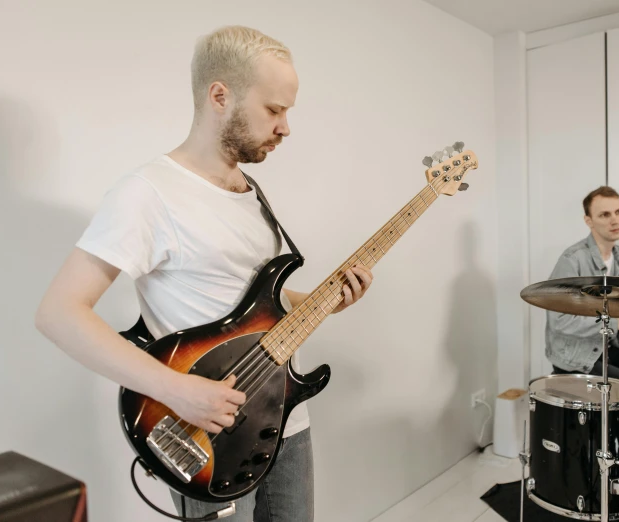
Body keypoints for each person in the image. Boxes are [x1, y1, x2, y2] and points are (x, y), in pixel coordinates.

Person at [34, 26, 373, 522]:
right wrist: (176, 390)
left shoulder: (251, 192)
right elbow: (59, 314)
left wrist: (327, 299)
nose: (285, 127)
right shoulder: (147, 193)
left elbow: (251, 304)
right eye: (274, 110)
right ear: (220, 95)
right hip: (204, 430)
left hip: (284, 416)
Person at [545, 186, 619, 385]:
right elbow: (560, 321)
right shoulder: (572, 260)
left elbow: (616, 309)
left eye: (618, 212)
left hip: (606, 348)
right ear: (588, 221)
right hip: (577, 357)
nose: (614, 220)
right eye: (604, 215)